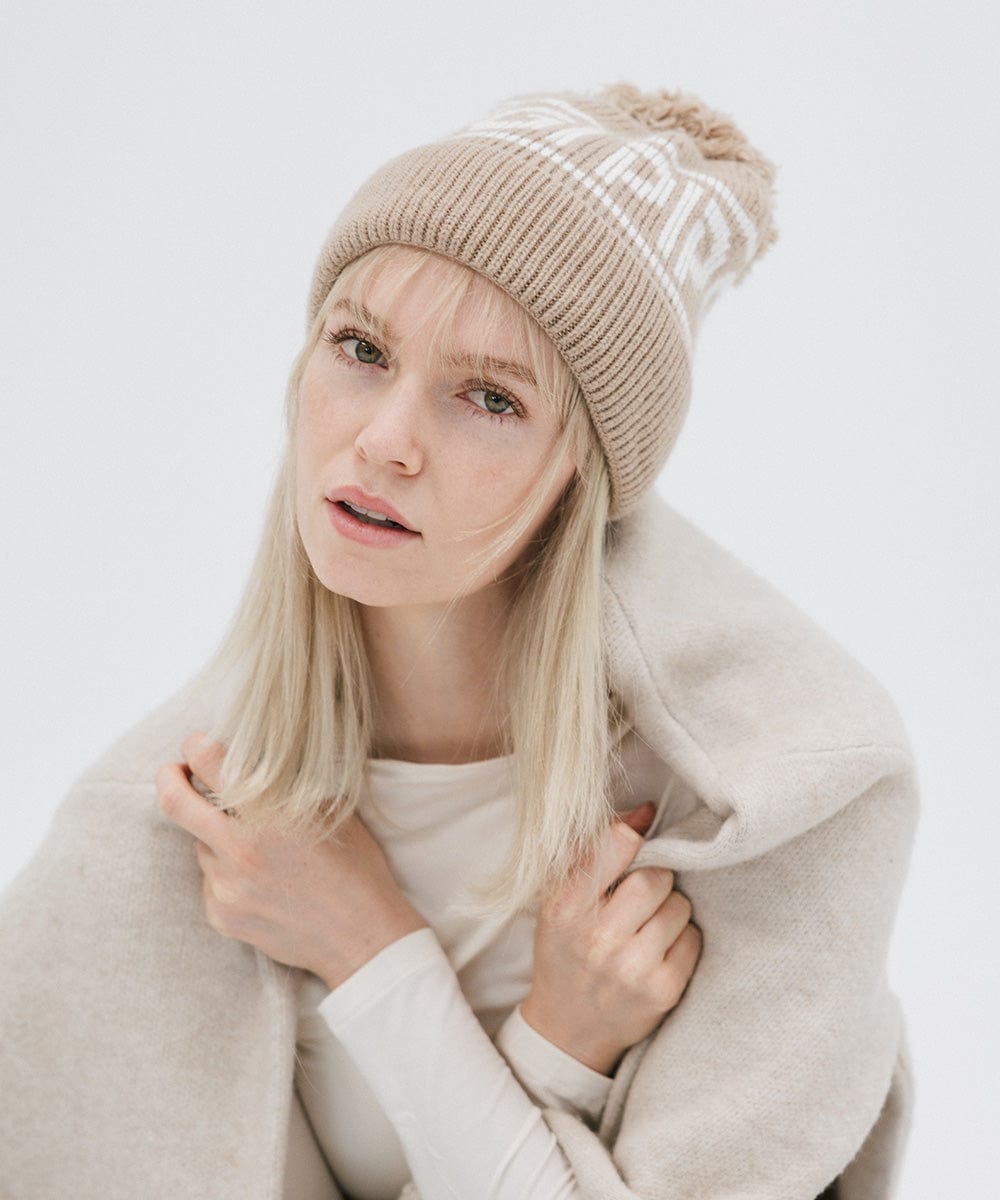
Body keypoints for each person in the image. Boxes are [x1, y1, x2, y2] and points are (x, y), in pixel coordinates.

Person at [0, 84, 917, 1200]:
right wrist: (556, 1059)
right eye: (360, 348)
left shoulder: (773, 801)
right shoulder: (162, 839)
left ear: (583, 474)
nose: (383, 441)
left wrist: (368, 943)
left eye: (488, 398)